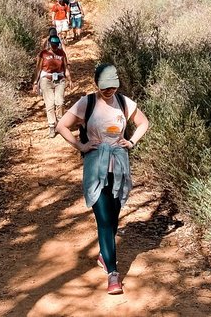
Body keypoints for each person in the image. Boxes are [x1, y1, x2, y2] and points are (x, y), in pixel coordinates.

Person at [55, 64, 149, 295]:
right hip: (95, 168)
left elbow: (144, 123)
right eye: (105, 87)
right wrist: (81, 145)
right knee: (105, 220)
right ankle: (113, 274)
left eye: (113, 87)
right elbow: (62, 126)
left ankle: (103, 255)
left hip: (119, 167)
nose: (109, 91)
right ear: (96, 83)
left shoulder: (125, 103)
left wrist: (133, 141)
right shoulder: (86, 103)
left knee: (114, 217)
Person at [33, 35, 72, 138]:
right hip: (46, 79)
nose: (54, 47)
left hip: (60, 79)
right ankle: (51, 126)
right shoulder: (43, 54)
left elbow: (65, 68)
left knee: (60, 102)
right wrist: (35, 82)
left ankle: (61, 123)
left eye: (56, 45)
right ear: (50, 44)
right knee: (49, 104)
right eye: (53, 45)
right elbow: (38, 68)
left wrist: (70, 79)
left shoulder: (61, 53)